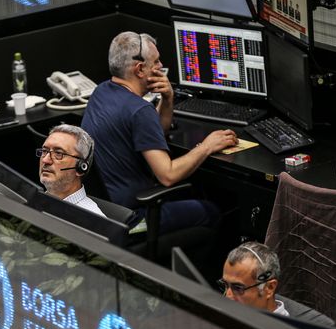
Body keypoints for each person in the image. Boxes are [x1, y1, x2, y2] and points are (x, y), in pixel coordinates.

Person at [81, 31, 238, 233]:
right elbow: (168, 175)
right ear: (139, 69)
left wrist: (168, 99)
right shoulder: (139, 109)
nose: (160, 66)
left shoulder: (101, 92)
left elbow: (151, 135)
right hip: (133, 218)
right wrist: (206, 147)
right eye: (155, 62)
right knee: (210, 211)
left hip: (105, 211)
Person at [37, 124, 105, 217]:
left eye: (58, 153)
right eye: (44, 151)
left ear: (81, 167)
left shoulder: (93, 221)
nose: (45, 160)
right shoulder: (33, 201)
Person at [219, 241, 288, 316]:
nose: (228, 296)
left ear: (269, 288)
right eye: (225, 285)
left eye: (238, 288)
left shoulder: (284, 327)